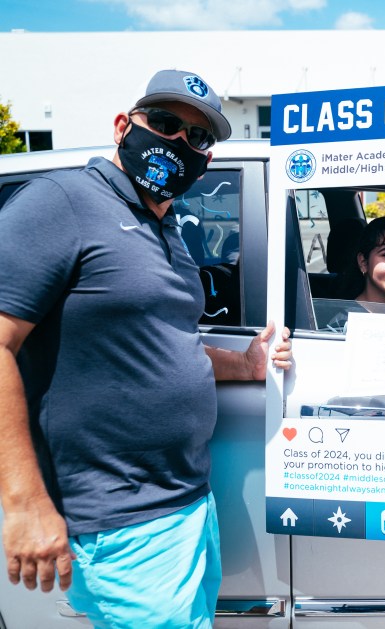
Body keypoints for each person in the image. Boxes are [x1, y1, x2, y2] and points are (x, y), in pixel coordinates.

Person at [0, 69, 292, 628]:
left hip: (186, 503)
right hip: (120, 517)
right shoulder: (62, 203)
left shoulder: (167, 226)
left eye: (196, 136)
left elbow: (165, 340)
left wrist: (245, 364)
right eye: (164, 123)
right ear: (122, 126)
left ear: (206, 159)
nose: (179, 142)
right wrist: (25, 503)